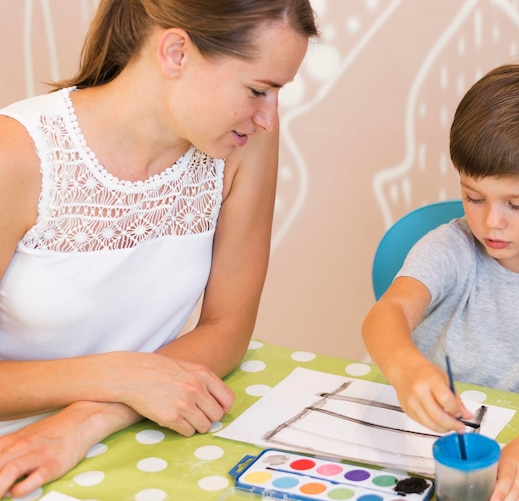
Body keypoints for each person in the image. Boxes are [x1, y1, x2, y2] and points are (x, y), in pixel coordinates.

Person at [0, 0, 318, 496]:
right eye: (258, 90)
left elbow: (227, 328)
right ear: (175, 52)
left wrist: (93, 414)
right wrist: (119, 376)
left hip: (136, 429)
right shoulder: (16, 154)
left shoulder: (242, 145)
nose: (268, 119)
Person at [362, 64, 519, 501]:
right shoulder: (450, 247)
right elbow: (389, 312)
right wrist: (406, 368)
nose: (491, 221)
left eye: (517, 204)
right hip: (427, 436)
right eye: (474, 197)